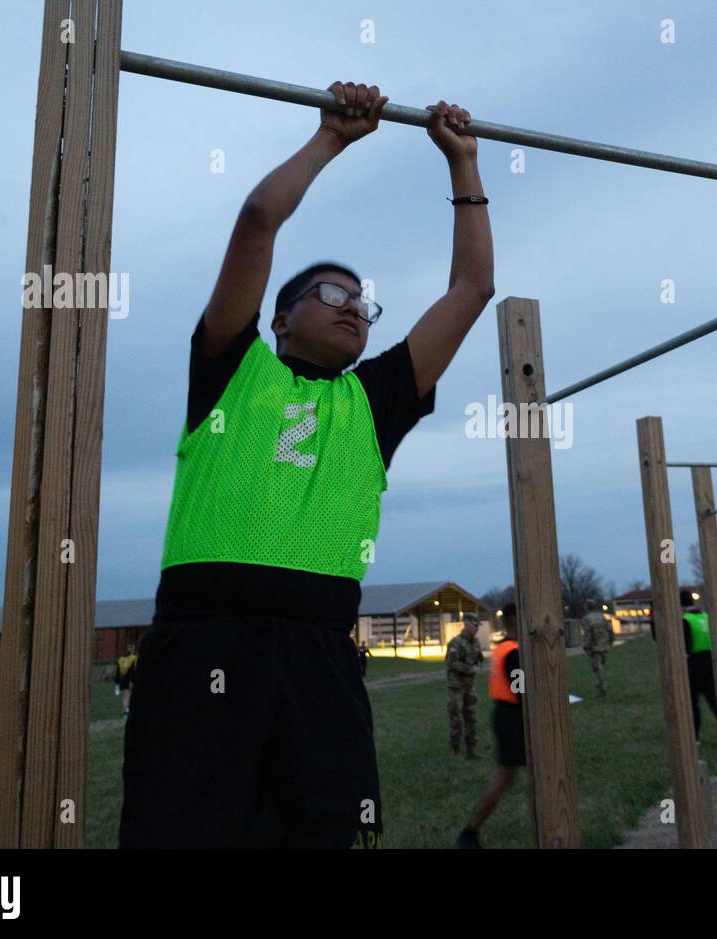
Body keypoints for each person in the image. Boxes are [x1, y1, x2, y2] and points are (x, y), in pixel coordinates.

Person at [119, 79, 494, 849]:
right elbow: (259, 218)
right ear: (282, 318)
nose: (356, 307)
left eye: (365, 302)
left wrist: (463, 164)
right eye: (334, 292)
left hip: (322, 658)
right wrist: (332, 137)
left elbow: (472, 288)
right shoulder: (232, 369)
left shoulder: (374, 402)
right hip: (203, 648)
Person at [455, 603, 523, 848]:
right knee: (505, 776)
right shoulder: (514, 651)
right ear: (515, 621)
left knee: (508, 776)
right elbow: (520, 691)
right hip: (513, 716)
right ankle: (470, 832)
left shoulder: (502, 648)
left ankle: (470, 831)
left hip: (504, 713)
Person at [681, 591, 717, 740]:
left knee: (692, 703)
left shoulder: (685, 620)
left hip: (694, 664)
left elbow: (686, 647)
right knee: (714, 700)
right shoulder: (706, 617)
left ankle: (694, 737)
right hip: (709, 661)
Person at [445, 613, 483, 758]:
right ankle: (455, 751)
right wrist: (469, 669)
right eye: (475, 625)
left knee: (471, 717)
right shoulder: (455, 643)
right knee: (456, 719)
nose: (477, 629)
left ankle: (471, 750)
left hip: (469, 686)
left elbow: (479, 658)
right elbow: (451, 663)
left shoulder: (476, 642)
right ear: (466, 624)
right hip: (456, 687)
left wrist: (478, 666)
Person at [580, 607, 614, 698]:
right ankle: (600, 688)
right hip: (604, 645)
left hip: (594, 646)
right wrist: (611, 641)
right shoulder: (602, 616)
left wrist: (586, 645)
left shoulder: (586, 619)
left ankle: (602, 689)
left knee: (597, 668)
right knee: (600, 665)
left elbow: (588, 633)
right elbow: (610, 629)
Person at [115, 643, 138, 717]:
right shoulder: (134, 658)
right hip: (130, 679)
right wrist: (132, 681)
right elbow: (133, 671)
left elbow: (118, 672)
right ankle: (127, 711)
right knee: (129, 696)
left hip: (123, 679)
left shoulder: (121, 659)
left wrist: (117, 683)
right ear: (132, 650)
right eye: (133, 649)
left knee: (125, 696)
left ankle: (126, 711)